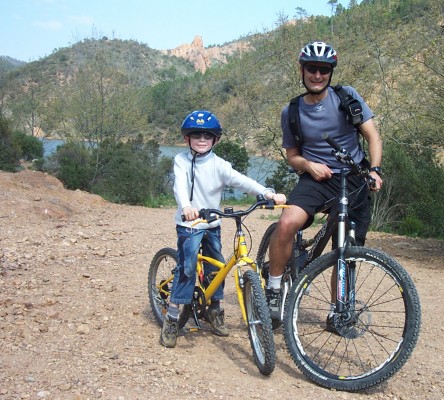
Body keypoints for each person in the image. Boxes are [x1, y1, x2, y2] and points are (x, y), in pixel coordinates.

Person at [265, 41, 383, 328]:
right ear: (302, 70)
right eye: (312, 69)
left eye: (324, 70)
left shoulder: (346, 97)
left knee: (346, 248)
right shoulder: (291, 111)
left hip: (353, 178)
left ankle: (337, 309)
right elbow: (292, 156)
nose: (317, 75)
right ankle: (274, 287)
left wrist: (375, 170)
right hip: (315, 179)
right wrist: (309, 165)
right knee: (286, 223)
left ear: (330, 72)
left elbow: (373, 137)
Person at [161, 110, 287, 348]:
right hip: (190, 224)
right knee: (187, 267)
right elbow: (179, 185)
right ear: (187, 138)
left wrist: (267, 193)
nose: (201, 139)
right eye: (196, 134)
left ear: (215, 139)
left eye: (207, 135)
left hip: (212, 224)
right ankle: (172, 316)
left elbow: (241, 180)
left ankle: (215, 310)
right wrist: (186, 207)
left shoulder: (219, 164)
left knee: (217, 265)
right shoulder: (181, 160)